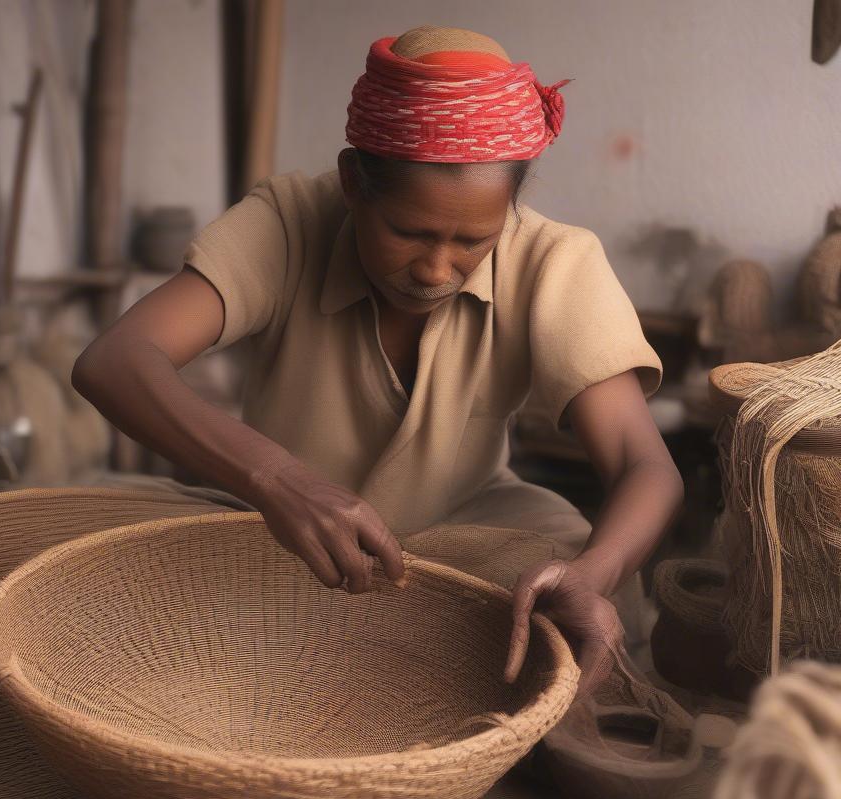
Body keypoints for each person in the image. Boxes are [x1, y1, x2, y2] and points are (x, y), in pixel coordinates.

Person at [73, 25, 684, 699]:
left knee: (585, 591)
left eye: (472, 240)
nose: (435, 268)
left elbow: (644, 466)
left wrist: (592, 576)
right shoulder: (288, 221)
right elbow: (117, 359)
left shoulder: (553, 260)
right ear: (351, 183)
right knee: (57, 550)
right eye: (407, 231)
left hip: (466, 529)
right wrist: (276, 480)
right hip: (269, 529)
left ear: (510, 212)